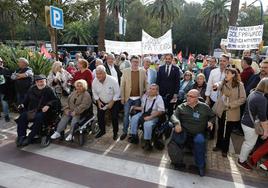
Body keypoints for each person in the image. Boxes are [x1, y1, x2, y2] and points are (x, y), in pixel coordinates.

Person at [170, 89, 215, 176]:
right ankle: (177, 162)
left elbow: (213, 116)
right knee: (173, 142)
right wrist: (177, 123)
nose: (188, 98)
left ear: (197, 98)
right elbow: (174, 116)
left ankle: (200, 166)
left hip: (198, 133)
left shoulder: (204, 107)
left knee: (200, 142)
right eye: (188, 96)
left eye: (191, 96)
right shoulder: (181, 107)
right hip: (184, 132)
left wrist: (211, 122)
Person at [16, 75, 59, 146]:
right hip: (32, 110)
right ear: (35, 82)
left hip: (45, 111)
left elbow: (55, 100)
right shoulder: (32, 89)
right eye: (38, 82)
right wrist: (22, 104)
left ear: (45, 81)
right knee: (22, 117)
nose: (40, 83)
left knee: (39, 118)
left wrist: (48, 105)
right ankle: (21, 136)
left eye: (42, 82)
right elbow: (26, 99)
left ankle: (30, 137)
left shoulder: (49, 90)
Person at [212, 67, 246, 157]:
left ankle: (225, 149)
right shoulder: (224, 81)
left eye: (228, 73)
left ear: (233, 75)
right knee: (220, 129)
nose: (226, 75)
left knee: (227, 132)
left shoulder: (240, 85)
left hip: (231, 111)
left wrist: (230, 104)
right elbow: (218, 84)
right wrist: (215, 85)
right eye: (225, 73)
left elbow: (243, 99)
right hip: (222, 109)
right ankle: (218, 145)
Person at [237, 78, 268, 171]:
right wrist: (266, 132)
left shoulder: (253, 92)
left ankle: (242, 158)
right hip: (250, 125)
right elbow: (263, 118)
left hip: (245, 121)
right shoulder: (262, 98)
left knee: (247, 143)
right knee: (249, 144)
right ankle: (241, 161)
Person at [129, 84, 165, 150]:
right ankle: (134, 136)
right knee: (134, 118)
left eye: (153, 89)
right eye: (150, 88)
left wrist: (150, 117)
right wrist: (135, 107)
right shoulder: (145, 96)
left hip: (154, 115)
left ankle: (147, 143)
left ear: (157, 91)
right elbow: (143, 108)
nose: (151, 90)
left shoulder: (159, 98)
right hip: (144, 113)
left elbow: (161, 111)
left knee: (147, 124)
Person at [120, 55, 147, 140]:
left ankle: (133, 132)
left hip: (138, 98)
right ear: (130, 62)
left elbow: (145, 83)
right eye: (134, 61)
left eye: (137, 61)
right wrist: (122, 97)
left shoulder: (143, 71)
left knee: (135, 117)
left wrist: (148, 93)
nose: (135, 63)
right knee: (126, 115)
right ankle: (124, 131)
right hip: (128, 98)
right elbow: (122, 85)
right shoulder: (125, 71)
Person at [92, 65, 120, 140]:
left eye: (100, 73)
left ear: (105, 73)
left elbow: (117, 93)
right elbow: (94, 92)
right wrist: (98, 101)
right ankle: (102, 131)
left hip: (113, 100)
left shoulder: (113, 80)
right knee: (100, 116)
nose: (98, 75)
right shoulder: (95, 81)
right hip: (101, 101)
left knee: (114, 117)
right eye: (97, 73)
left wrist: (112, 102)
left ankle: (115, 133)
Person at [156, 54, 181, 118]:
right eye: (166, 58)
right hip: (161, 93)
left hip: (171, 93)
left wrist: (176, 93)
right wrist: (157, 91)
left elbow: (177, 82)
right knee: (161, 110)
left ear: (172, 59)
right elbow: (158, 81)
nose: (167, 60)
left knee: (170, 111)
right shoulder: (161, 68)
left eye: (169, 59)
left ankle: (169, 125)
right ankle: (161, 125)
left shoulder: (176, 69)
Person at [0, 57, 11, 122]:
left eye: (1, 62)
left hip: (3, 90)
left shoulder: (6, 70)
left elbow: (10, 79)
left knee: (4, 103)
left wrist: (6, 76)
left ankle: (6, 116)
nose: (1, 63)